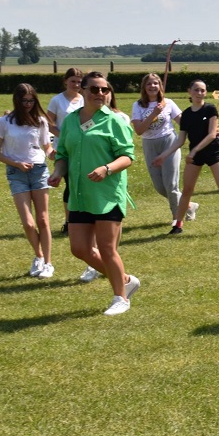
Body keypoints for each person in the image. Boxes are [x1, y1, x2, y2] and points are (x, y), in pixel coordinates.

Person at [47, 72, 140, 316]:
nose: (100, 94)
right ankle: (127, 279)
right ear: (83, 91)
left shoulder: (116, 121)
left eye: (104, 90)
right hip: (79, 193)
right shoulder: (70, 121)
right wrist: (58, 172)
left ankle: (121, 297)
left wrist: (107, 169)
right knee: (79, 249)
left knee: (108, 248)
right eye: (94, 89)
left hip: (107, 194)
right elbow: (64, 153)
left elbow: (127, 156)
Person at [155, 79, 219, 235]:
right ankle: (178, 225)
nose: (199, 93)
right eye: (196, 90)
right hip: (195, 155)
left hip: (213, 152)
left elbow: (212, 135)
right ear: (189, 91)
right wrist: (163, 155)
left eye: (202, 90)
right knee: (187, 190)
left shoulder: (210, 109)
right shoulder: (186, 115)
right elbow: (180, 140)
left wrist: (193, 151)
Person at [0, 84, 55, 278]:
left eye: (31, 101)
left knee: (43, 220)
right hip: (16, 173)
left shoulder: (41, 121)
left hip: (38, 171)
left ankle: (48, 262)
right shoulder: (5, 122)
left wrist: (57, 154)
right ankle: (38, 256)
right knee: (28, 223)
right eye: (25, 101)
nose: (28, 105)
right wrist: (17, 163)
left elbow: (46, 147)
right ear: (17, 101)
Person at [131, 73, 195, 222]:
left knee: (171, 184)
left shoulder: (169, 103)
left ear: (160, 86)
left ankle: (176, 219)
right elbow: (139, 131)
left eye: (155, 83)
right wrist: (154, 113)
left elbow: (183, 123)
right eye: (149, 84)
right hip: (150, 145)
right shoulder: (138, 105)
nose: (152, 86)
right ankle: (189, 205)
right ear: (144, 87)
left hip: (169, 143)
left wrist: (198, 133)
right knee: (160, 187)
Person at [46, 68, 84, 236]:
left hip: (83, 147)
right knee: (70, 183)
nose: (76, 85)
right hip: (64, 148)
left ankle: (83, 218)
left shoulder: (84, 99)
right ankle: (69, 221)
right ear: (65, 81)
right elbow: (49, 124)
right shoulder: (57, 101)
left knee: (81, 182)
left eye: (78, 81)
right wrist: (66, 135)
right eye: (73, 81)